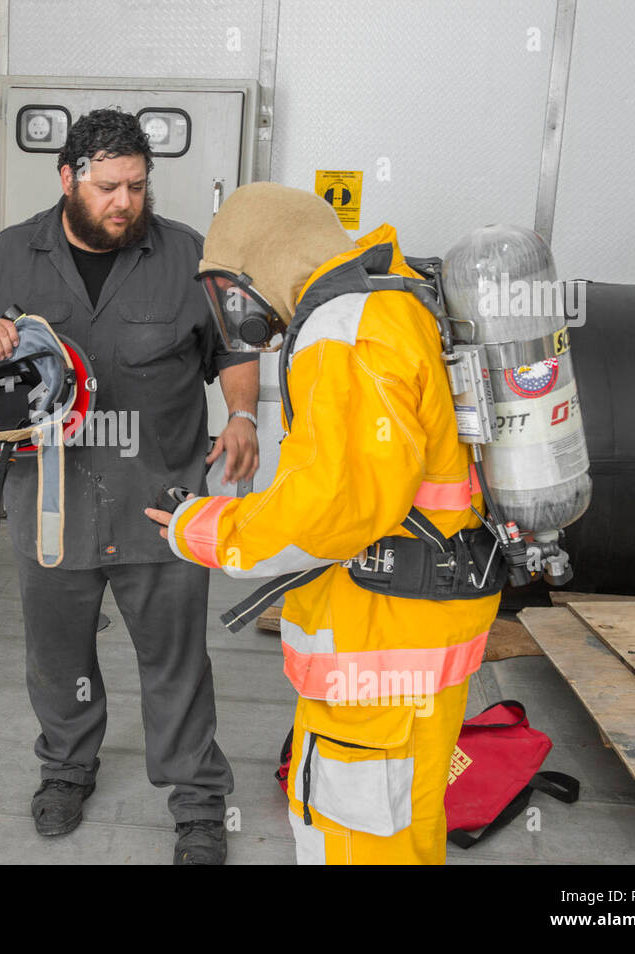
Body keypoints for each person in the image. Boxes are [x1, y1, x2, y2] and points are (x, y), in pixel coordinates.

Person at [0, 109, 259, 865]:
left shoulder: (188, 254)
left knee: (176, 658)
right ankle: (67, 769)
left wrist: (242, 416)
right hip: (52, 505)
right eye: (110, 186)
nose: (125, 201)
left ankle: (198, 800)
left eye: (137, 186)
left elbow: (234, 344)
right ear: (68, 179)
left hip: (164, 501)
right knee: (59, 658)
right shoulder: (10, 255)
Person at [148, 182, 501, 864]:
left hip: (379, 648)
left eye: (227, 291)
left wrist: (206, 527)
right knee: (405, 830)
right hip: (417, 641)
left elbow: (334, 508)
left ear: (262, 262)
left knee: (355, 838)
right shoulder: (396, 303)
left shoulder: (345, 329)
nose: (237, 314)